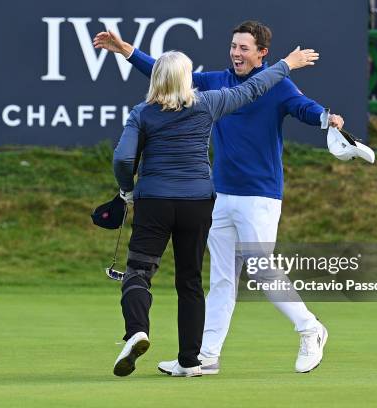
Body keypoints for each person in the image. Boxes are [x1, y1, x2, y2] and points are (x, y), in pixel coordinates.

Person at [96, 20, 342, 374]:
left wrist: (325, 117)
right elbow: (167, 77)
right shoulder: (214, 83)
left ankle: (310, 328)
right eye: (233, 46)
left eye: (244, 48)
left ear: (262, 53)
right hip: (219, 194)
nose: (236, 53)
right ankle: (205, 356)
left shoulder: (277, 82)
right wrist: (127, 51)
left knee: (259, 268)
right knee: (222, 278)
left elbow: (304, 107)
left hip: (260, 194)